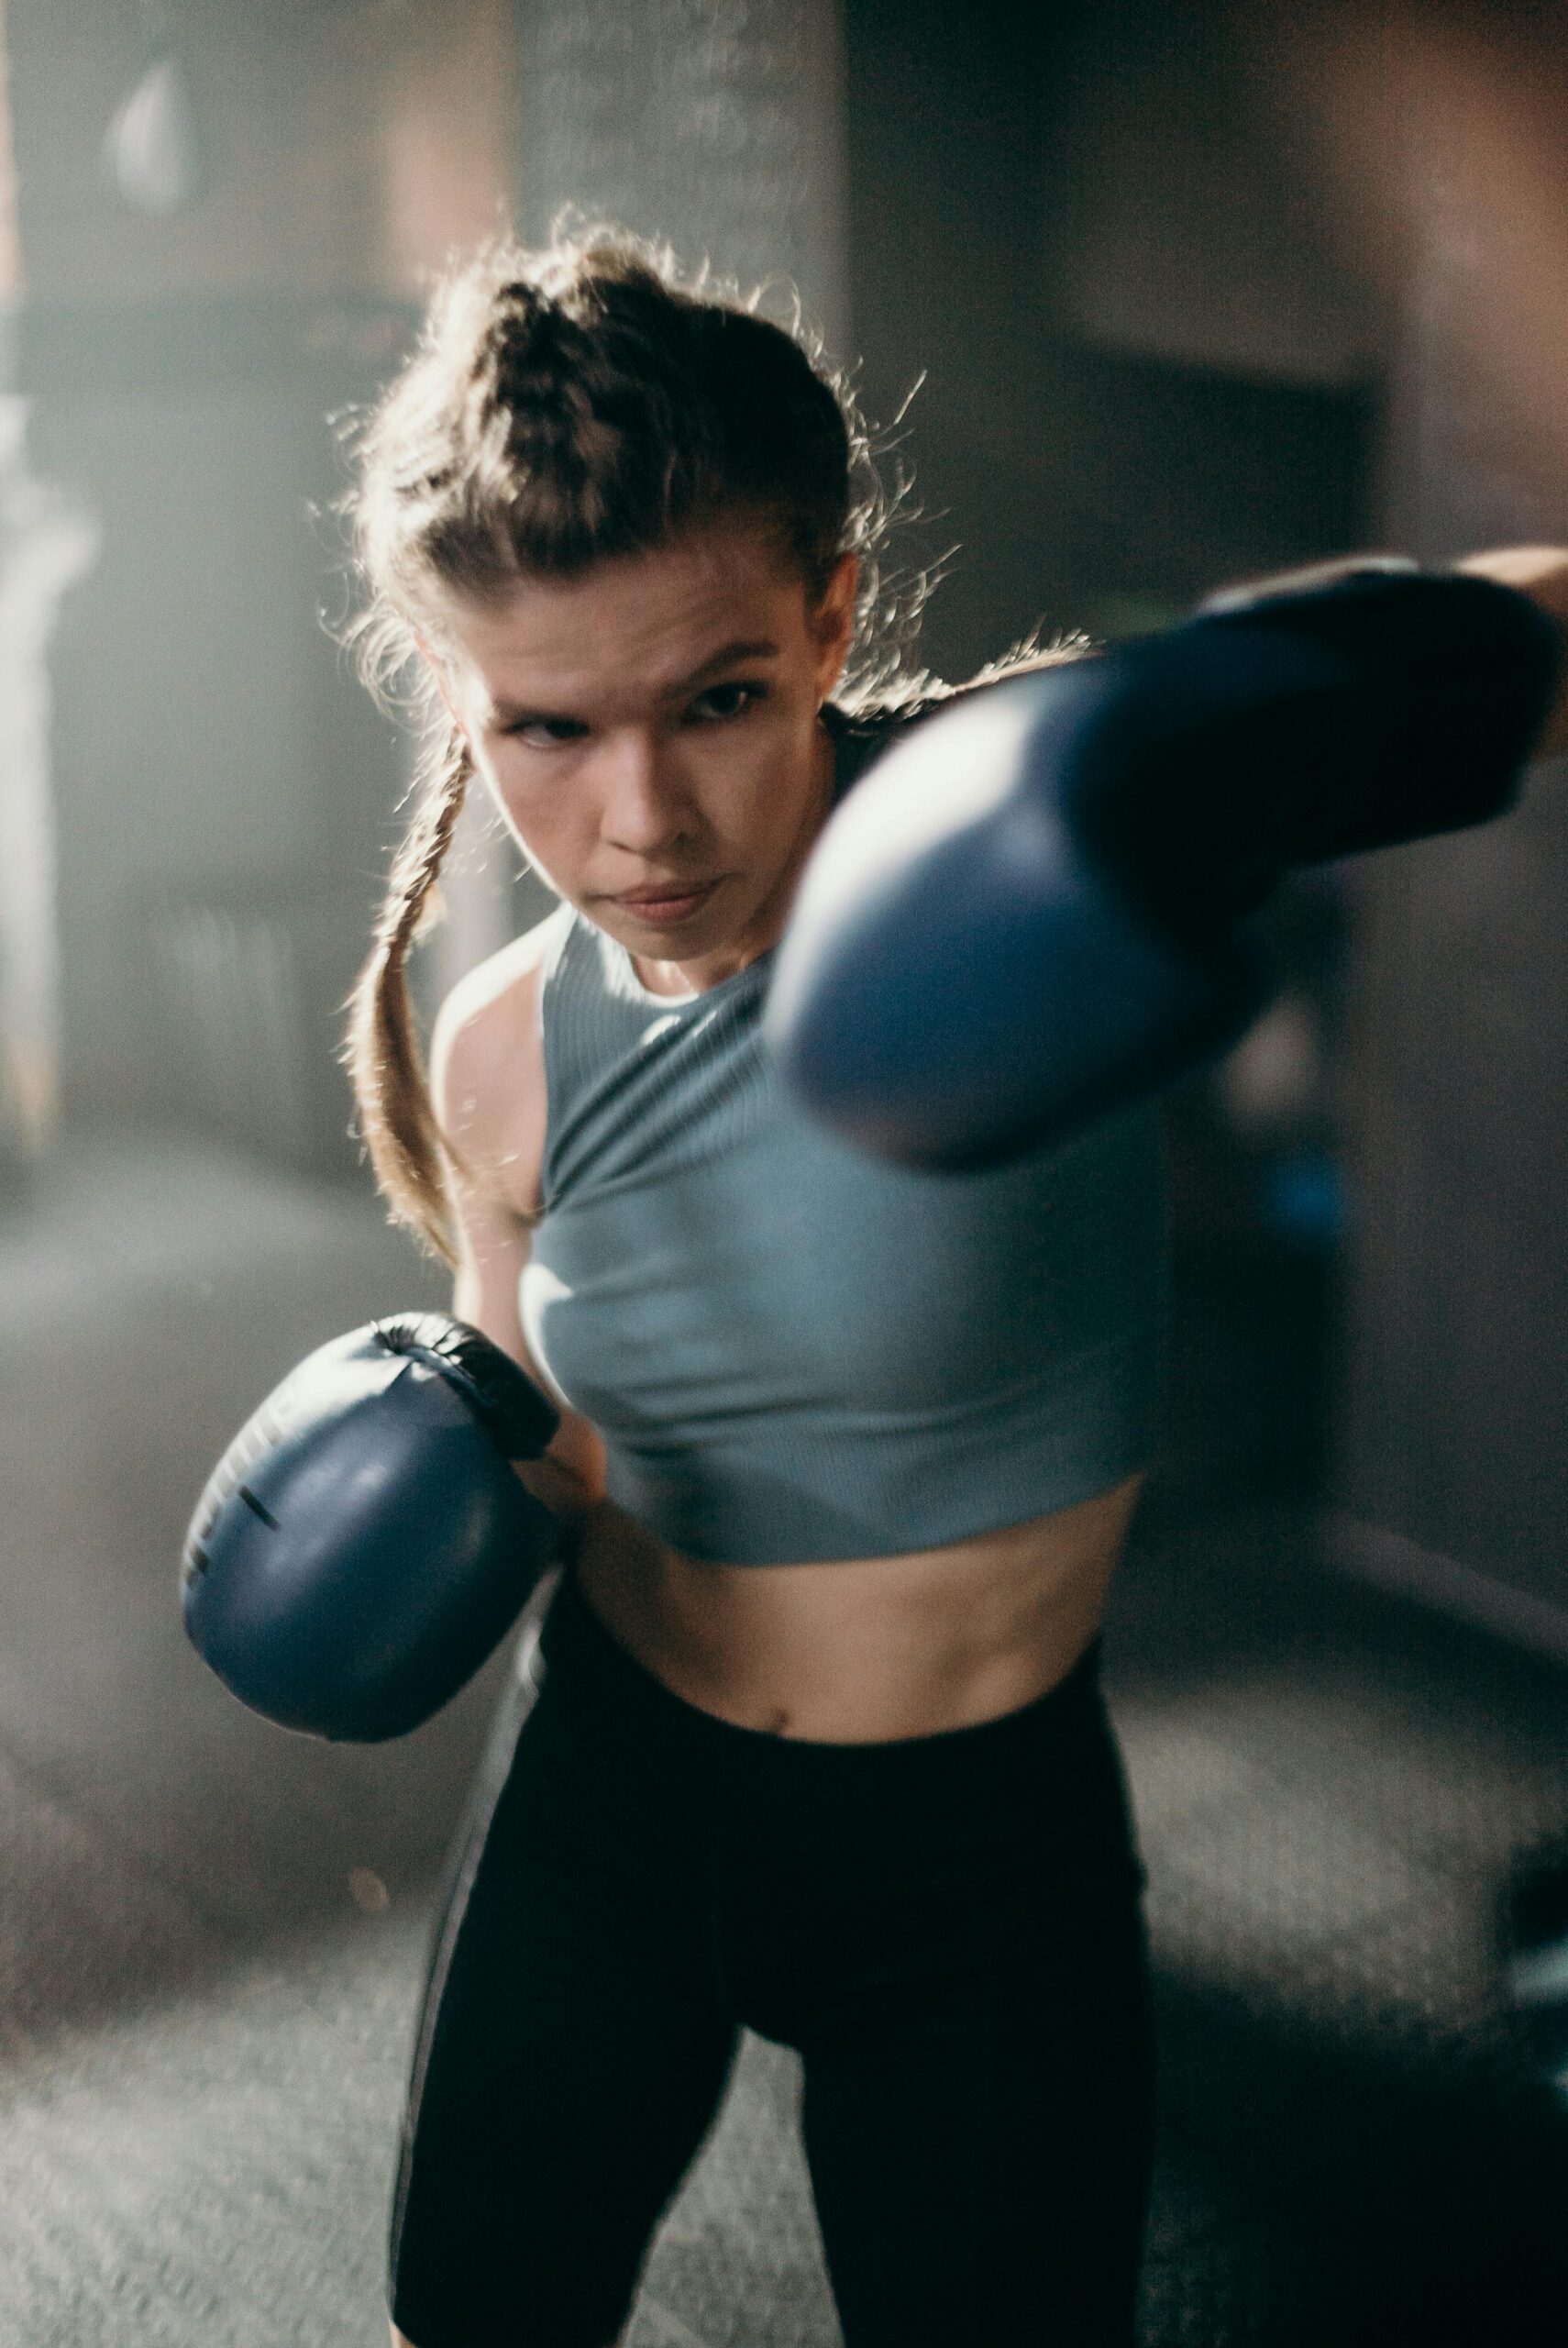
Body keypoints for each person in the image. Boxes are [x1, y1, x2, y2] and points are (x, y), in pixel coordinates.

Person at [337, 225, 1567, 2348]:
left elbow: (1517, 641)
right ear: (464, 695)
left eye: (717, 697)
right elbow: (555, 1436)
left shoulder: (1051, 823)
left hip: (975, 1857)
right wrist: (427, 1471)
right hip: (611, 1795)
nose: (640, 820)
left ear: (828, 613)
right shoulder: (503, 1047)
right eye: (547, 727)